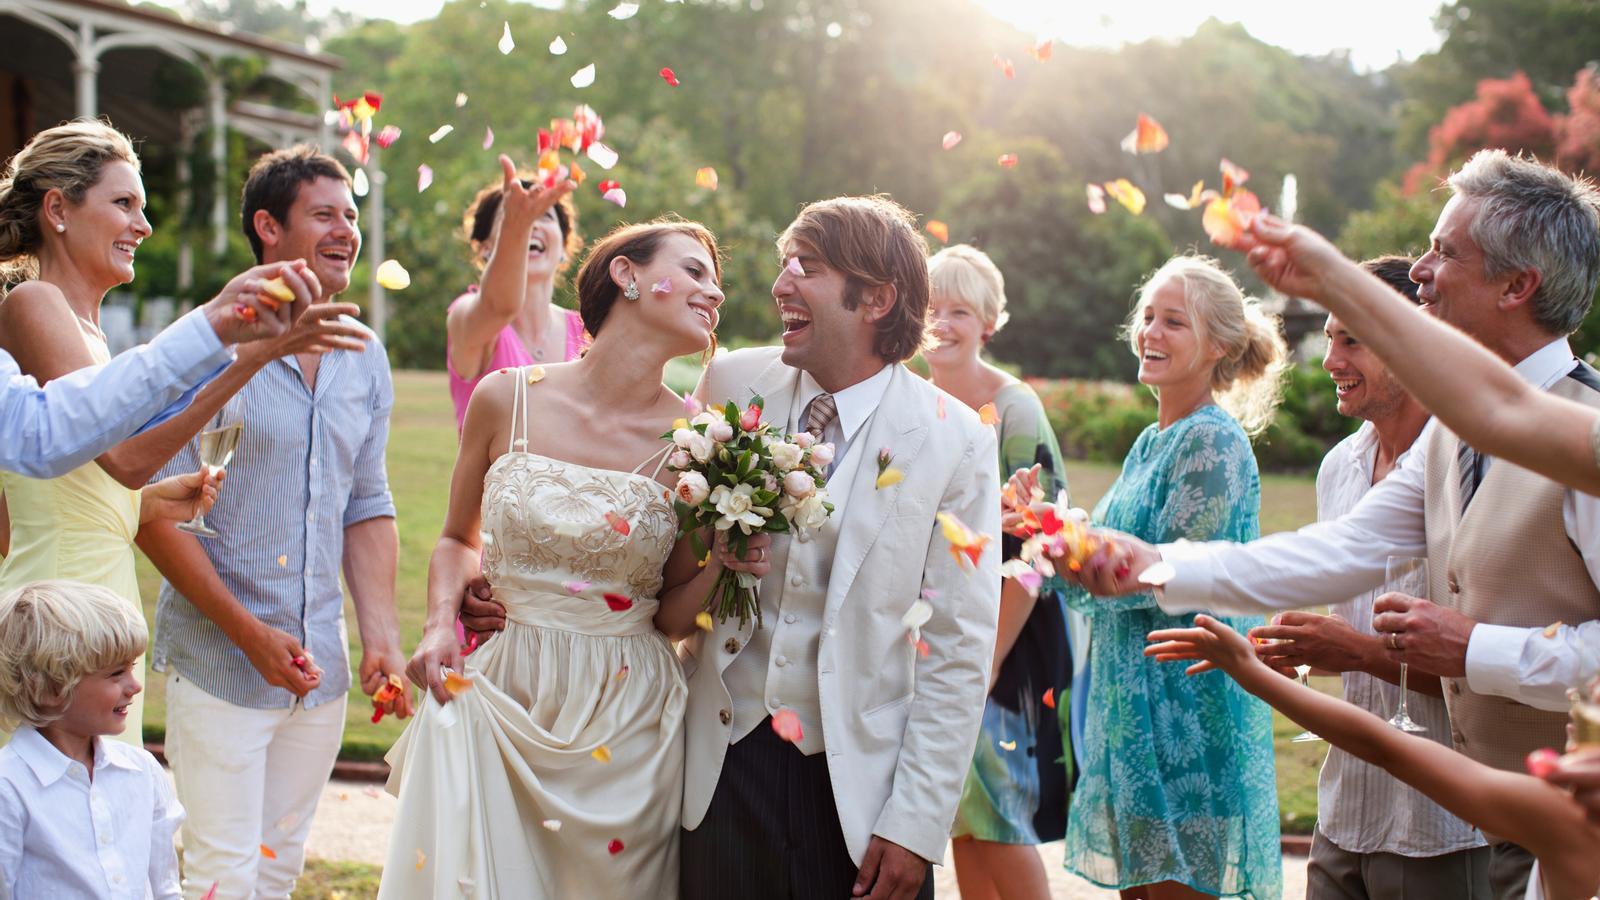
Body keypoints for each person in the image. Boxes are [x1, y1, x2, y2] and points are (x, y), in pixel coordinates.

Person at [1064, 149, 1600, 900]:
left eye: (1445, 252)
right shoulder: (1451, 434)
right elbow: (1341, 549)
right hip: (1509, 817)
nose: (1419, 271)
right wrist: (1155, 565)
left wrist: (1476, 650)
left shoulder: (1588, 431)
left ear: (1517, 286)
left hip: (1566, 830)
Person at [381, 210, 741, 899]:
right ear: (626, 274)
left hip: (626, 725)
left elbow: (671, 619)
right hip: (504, 697)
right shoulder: (505, 398)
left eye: (715, 281)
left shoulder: (698, 444)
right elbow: (460, 537)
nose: (714, 292)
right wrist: (436, 625)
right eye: (694, 270)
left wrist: (724, 560)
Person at [673, 195, 1001, 900]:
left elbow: (958, 648)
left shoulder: (957, 441)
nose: (779, 284)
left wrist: (915, 823)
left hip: (860, 797)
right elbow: (667, 550)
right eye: (784, 263)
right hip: (721, 777)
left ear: (876, 298)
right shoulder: (732, 384)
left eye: (807, 267)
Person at [134, 144, 408, 900]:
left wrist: (380, 634)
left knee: (278, 872)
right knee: (221, 877)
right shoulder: (204, 346)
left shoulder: (365, 354)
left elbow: (368, 502)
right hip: (222, 665)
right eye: (324, 214)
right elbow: (154, 516)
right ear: (268, 227)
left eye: (351, 216)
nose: (346, 230)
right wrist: (247, 634)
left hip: (319, 674)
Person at [0, 118, 319, 746]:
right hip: (60, 612)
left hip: (103, 596)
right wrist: (246, 356)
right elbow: (121, 457)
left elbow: (99, 478)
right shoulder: (33, 304)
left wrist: (141, 506)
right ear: (58, 210)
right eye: (124, 204)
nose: (143, 227)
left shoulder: (90, 333)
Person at [1025, 255, 1284, 899]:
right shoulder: (1150, 440)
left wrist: (1068, 543)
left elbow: (1168, 578)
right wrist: (1044, 526)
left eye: (1174, 322)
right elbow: (1109, 564)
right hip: (1129, 707)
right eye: (1147, 317)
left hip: (1183, 714)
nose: (1151, 333)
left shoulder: (1213, 442)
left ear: (1218, 346)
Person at [1250, 256, 1489, 899]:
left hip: (1445, 824)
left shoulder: (1470, 473)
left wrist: (1349, 650)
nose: (1329, 360)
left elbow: (1490, 672)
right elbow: (1360, 630)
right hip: (1346, 812)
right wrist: (1312, 648)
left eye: (1350, 339)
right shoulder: (1339, 467)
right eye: (1328, 338)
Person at [1145, 615, 1600, 900]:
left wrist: (1246, 669)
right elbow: (1381, 746)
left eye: (1592, 707)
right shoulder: (1562, 823)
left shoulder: (1563, 824)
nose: (1573, 710)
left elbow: (1384, 747)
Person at [923, 243, 1078, 900]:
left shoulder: (1014, 409)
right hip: (933, 628)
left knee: (999, 816)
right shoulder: (914, 401)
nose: (943, 324)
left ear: (988, 323)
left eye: (959, 310)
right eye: (931, 308)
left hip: (1006, 640)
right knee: (958, 813)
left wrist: (988, 657)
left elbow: (1042, 546)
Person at [0, 580, 184, 899]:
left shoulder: (142, 772)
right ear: (50, 688)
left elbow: (164, 887)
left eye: (133, 668)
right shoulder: (10, 788)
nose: (135, 686)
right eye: (116, 674)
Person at [446, 155, 585, 428]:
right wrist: (516, 225)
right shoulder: (466, 315)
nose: (530, 223)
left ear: (565, 247)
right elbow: (499, 307)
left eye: (543, 215)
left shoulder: (587, 330)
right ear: (484, 247)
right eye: (514, 215)